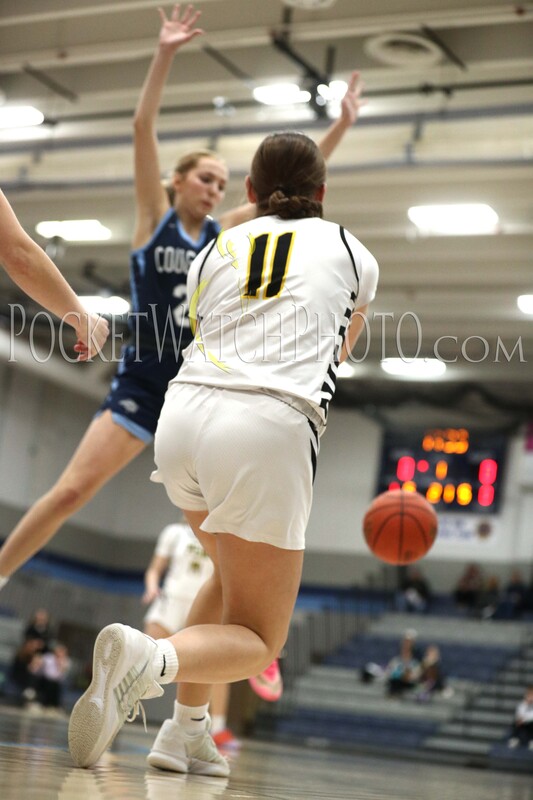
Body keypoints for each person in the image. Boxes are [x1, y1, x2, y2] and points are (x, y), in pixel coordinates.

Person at [0, 3, 364, 590]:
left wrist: (341, 125)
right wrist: (165, 53)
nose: (214, 189)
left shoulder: (224, 234)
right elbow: (143, 129)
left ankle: (233, 634)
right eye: (204, 178)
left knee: (221, 539)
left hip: (201, 388)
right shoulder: (153, 219)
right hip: (144, 379)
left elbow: (292, 186)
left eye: (223, 183)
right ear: (177, 181)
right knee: (72, 489)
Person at [67, 127, 379, 776]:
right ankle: (150, 660)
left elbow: (209, 326)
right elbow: (338, 351)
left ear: (247, 192)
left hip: (182, 423)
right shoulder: (354, 252)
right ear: (322, 193)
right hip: (265, 428)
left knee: (224, 577)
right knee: (261, 638)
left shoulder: (219, 245)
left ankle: (184, 732)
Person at [142, 521, 238, 748]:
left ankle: (219, 729)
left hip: (205, 603)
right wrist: (151, 587)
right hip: (172, 600)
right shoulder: (174, 532)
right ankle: (116, 708)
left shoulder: (223, 531)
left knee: (217, 667)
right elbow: (155, 569)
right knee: (143, 659)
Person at [385, 630, 422, 698]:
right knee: (395, 682)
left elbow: (415, 676)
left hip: (407, 683)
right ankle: (393, 694)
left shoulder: (415, 663)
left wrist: (407, 675)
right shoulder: (395, 660)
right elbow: (389, 672)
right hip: (396, 681)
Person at [508, 685, 533, 750]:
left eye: (532, 695)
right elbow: (519, 713)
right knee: (516, 722)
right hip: (523, 722)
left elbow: (531, 716)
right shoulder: (522, 704)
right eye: (529, 695)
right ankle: (514, 739)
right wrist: (520, 719)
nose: (530, 697)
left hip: (530, 722)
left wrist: (523, 719)